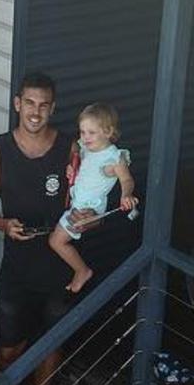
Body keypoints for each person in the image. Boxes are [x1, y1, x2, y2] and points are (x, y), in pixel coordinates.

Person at [0, 72, 93, 385]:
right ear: (17, 104)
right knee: (8, 348)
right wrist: (2, 223)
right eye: (29, 103)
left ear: (52, 107)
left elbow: (87, 201)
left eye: (43, 105)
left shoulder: (71, 150)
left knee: (51, 346)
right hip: (18, 267)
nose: (36, 112)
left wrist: (87, 219)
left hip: (61, 267)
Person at [49, 103, 138, 294]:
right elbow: (79, 163)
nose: (85, 137)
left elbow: (127, 180)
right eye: (82, 132)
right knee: (58, 239)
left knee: (56, 241)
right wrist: (71, 168)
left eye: (91, 132)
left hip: (91, 208)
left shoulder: (114, 158)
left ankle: (82, 271)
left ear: (108, 132)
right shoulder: (85, 148)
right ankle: (81, 269)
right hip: (76, 203)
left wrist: (126, 195)